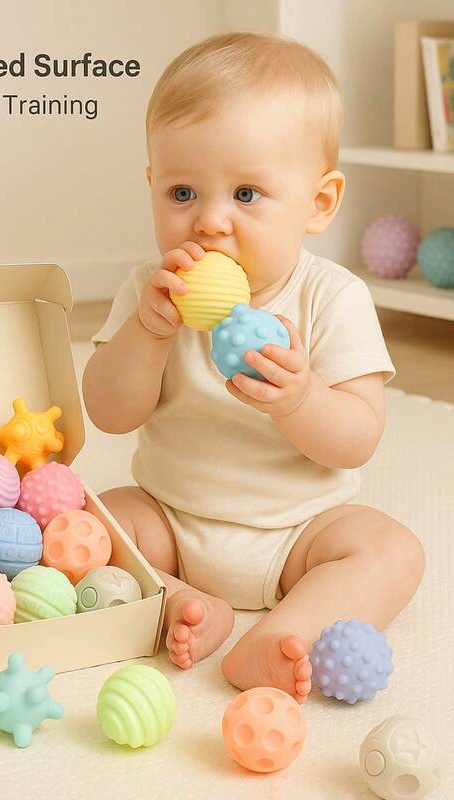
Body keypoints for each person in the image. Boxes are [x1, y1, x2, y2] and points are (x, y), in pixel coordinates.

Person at [81, 32, 425, 703]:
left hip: (299, 531)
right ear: (153, 185)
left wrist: (300, 399)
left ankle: (279, 636)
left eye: (245, 193)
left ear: (318, 204)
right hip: (171, 519)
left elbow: (357, 437)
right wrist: (148, 332)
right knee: (87, 519)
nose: (209, 222)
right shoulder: (149, 291)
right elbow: (109, 413)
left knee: (392, 551)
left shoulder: (333, 298)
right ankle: (180, 602)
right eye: (183, 192)